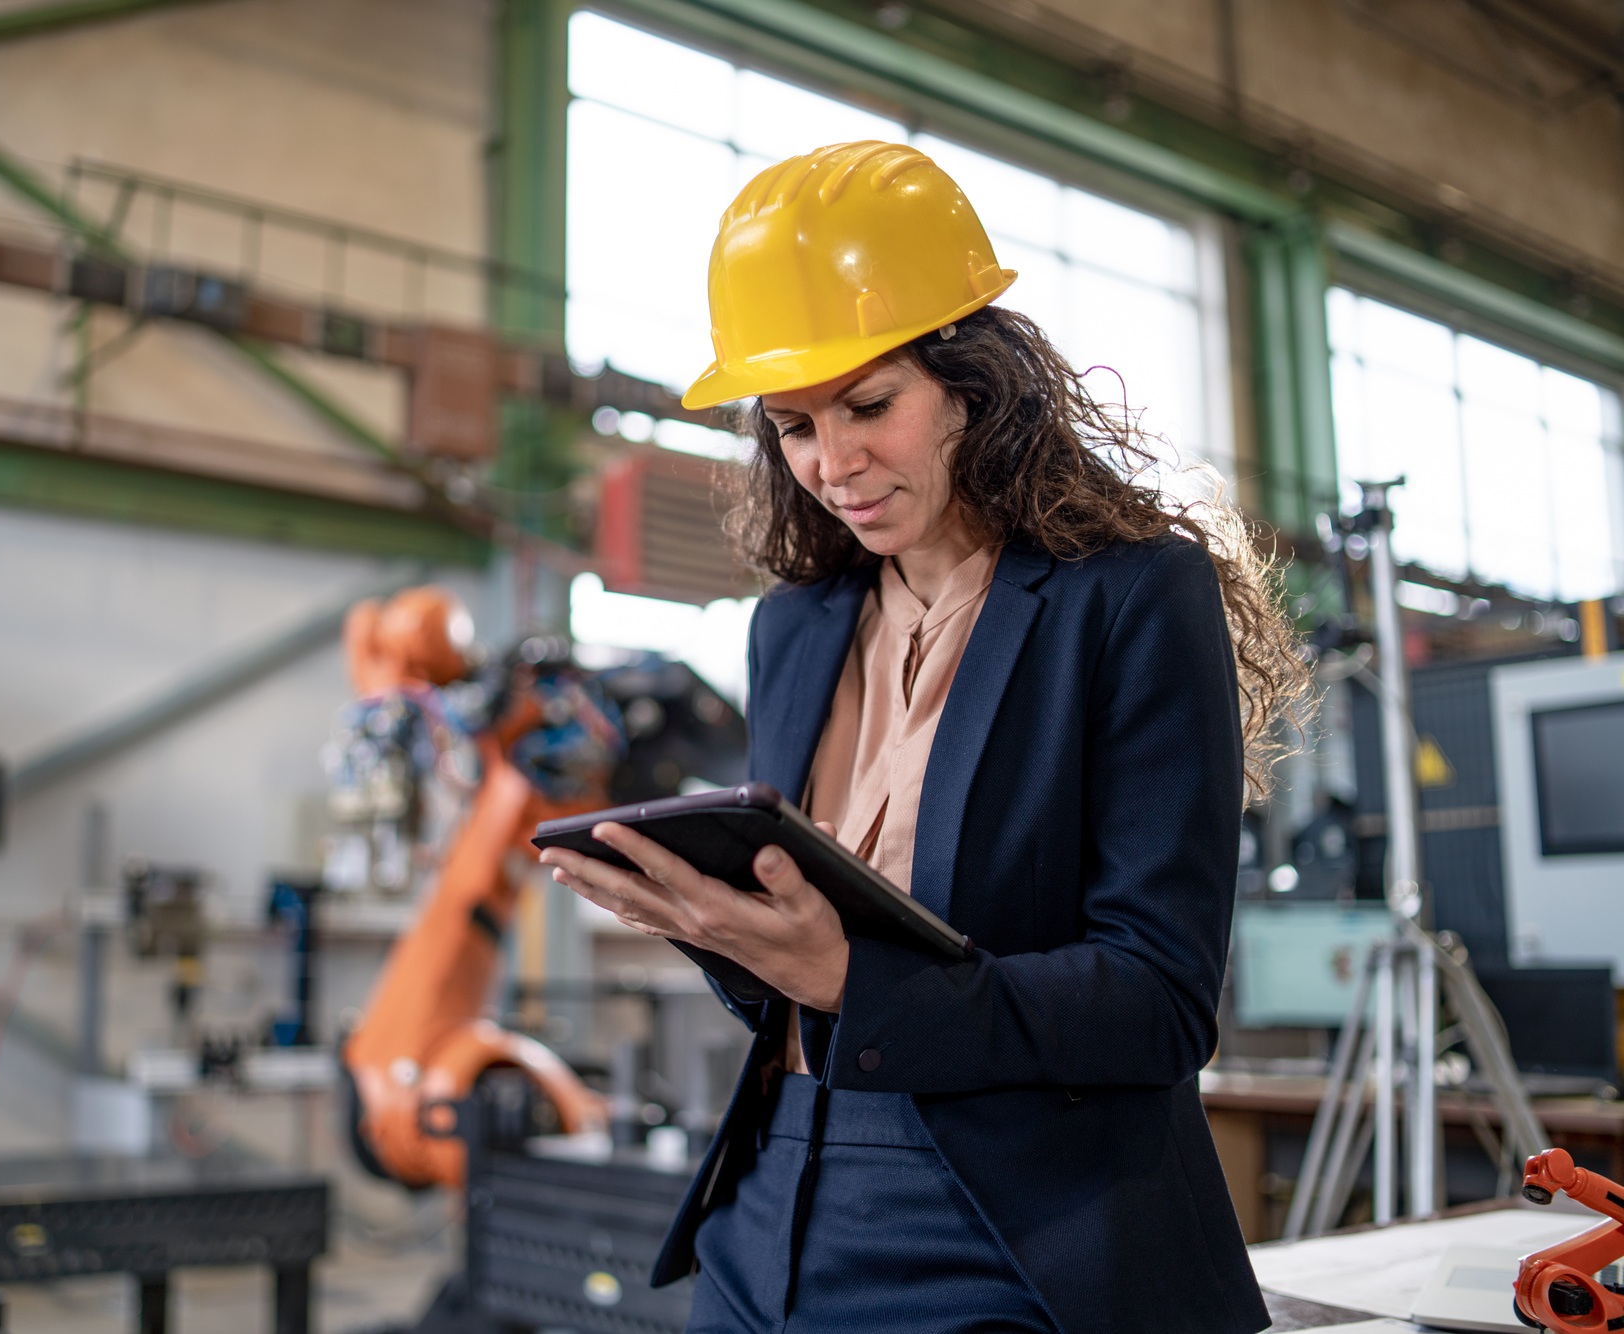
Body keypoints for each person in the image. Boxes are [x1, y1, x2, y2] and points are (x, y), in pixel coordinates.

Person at [536, 141, 1310, 1334]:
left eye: (868, 405)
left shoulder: (1131, 597)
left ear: (973, 387)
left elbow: (1157, 998)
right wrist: (715, 927)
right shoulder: (793, 629)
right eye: (791, 424)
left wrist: (847, 977)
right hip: (766, 1200)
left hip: (1009, 1215)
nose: (830, 464)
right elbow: (793, 984)